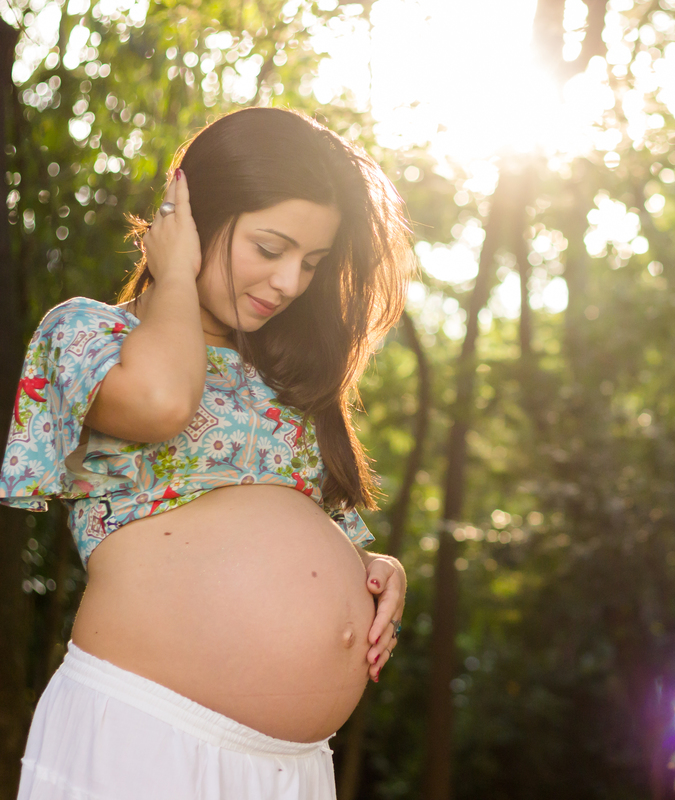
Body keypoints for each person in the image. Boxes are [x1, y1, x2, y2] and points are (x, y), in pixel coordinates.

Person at [0, 106, 416, 799]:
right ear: (189, 216)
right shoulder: (88, 335)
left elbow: (286, 520)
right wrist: (175, 274)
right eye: (270, 247)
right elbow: (164, 403)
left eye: (311, 263)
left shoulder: (281, 376)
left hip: (293, 767)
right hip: (146, 734)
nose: (289, 283)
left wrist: (370, 569)